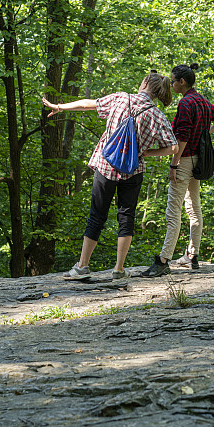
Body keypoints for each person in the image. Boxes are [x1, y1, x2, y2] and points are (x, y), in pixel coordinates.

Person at [43, 72, 178, 281]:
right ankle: (119, 269)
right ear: (159, 91)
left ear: (144, 83)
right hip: (133, 170)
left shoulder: (121, 98)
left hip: (105, 166)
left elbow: (89, 104)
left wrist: (60, 107)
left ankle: (82, 267)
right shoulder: (156, 114)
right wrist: (146, 153)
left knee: (96, 215)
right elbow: (173, 147)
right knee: (127, 217)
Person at [141, 63, 214, 278]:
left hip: (185, 160)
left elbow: (182, 138)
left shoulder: (186, 104)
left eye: (173, 81)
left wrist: (174, 164)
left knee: (174, 212)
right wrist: (206, 134)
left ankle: (163, 260)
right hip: (199, 162)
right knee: (194, 208)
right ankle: (192, 256)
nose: (170, 84)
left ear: (182, 82)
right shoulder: (202, 101)